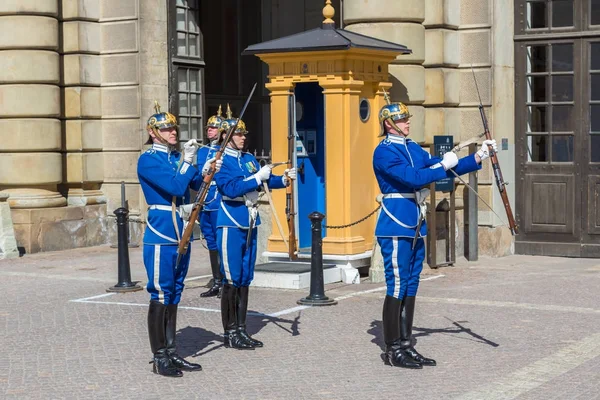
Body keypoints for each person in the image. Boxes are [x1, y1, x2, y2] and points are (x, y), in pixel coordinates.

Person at [373, 101, 497, 369]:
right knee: (396, 284)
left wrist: (477, 158)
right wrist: (443, 164)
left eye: (407, 119)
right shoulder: (383, 153)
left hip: (415, 223)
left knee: (412, 283)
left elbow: (440, 167)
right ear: (388, 124)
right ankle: (392, 348)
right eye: (403, 120)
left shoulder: (412, 147)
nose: (408, 123)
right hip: (396, 223)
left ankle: (406, 345)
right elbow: (415, 178)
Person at [137, 102, 222, 377]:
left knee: (174, 291)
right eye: (166, 128)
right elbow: (174, 186)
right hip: (162, 230)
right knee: (161, 292)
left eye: (173, 127)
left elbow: (197, 183)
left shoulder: (175, 158)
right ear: (153, 133)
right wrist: (187, 162)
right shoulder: (149, 159)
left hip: (182, 229)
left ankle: (172, 352)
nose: (173, 131)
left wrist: (208, 167)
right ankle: (159, 356)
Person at [214, 115, 296, 349]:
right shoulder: (220, 160)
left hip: (249, 220)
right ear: (225, 137)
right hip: (231, 219)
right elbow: (230, 187)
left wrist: (283, 179)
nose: (243, 137)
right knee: (231, 278)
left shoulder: (248, 158)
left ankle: (241, 329)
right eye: (238, 134)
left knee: (244, 278)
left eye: (243, 134)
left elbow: (263, 183)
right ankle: (230, 333)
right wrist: (256, 177)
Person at [198, 105, 225, 298]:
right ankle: (216, 281)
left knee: (221, 241)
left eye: (214, 128)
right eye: (208, 127)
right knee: (211, 241)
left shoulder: (225, 151)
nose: (209, 130)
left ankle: (225, 281)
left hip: (218, 200)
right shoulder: (202, 151)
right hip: (204, 201)